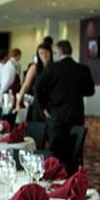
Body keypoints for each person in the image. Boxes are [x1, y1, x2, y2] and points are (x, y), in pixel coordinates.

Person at [34, 40, 94, 169]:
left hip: (56, 116)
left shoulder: (52, 68)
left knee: (56, 152)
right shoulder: (83, 69)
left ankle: (56, 174)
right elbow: (90, 91)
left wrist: (43, 108)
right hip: (76, 114)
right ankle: (74, 175)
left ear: (58, 52)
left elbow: (37, 88)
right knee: (75, 149)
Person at [17, 43, 53, 121]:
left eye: (46, 52)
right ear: (38, 55)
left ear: (50, 53)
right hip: (38, 103)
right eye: (41, 53)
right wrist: (18, 102)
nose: (44, 55)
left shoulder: (55, 67)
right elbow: (26, 85)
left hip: (52, 103)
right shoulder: (35, 67)